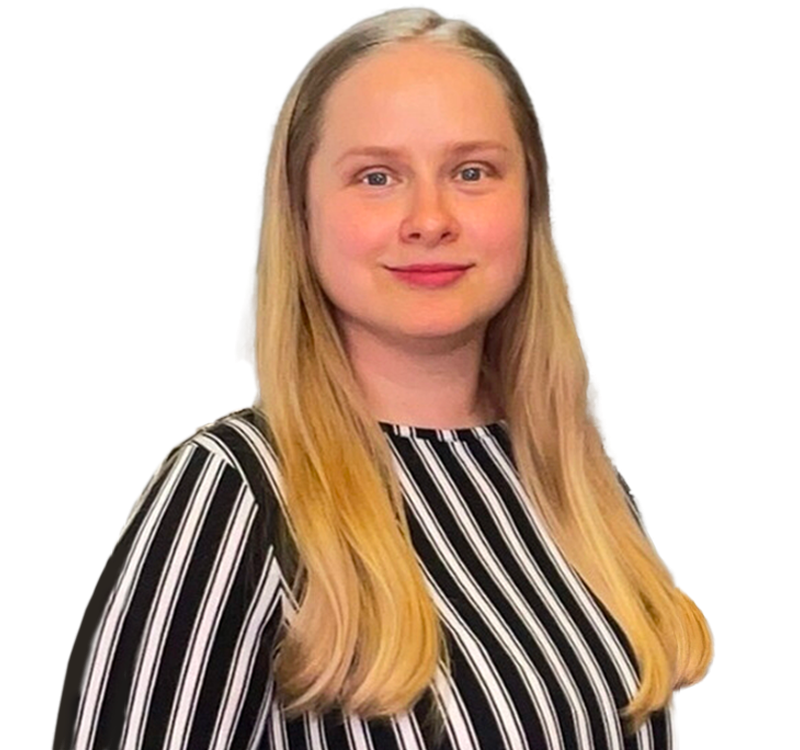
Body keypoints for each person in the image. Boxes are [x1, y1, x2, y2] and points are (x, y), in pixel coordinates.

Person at [51, 6, 715, 749]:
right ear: (301, 213)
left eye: (472, 172)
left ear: (531, 202)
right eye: (376, 177)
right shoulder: (236, 492)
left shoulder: (577, 486)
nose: (429, 218)